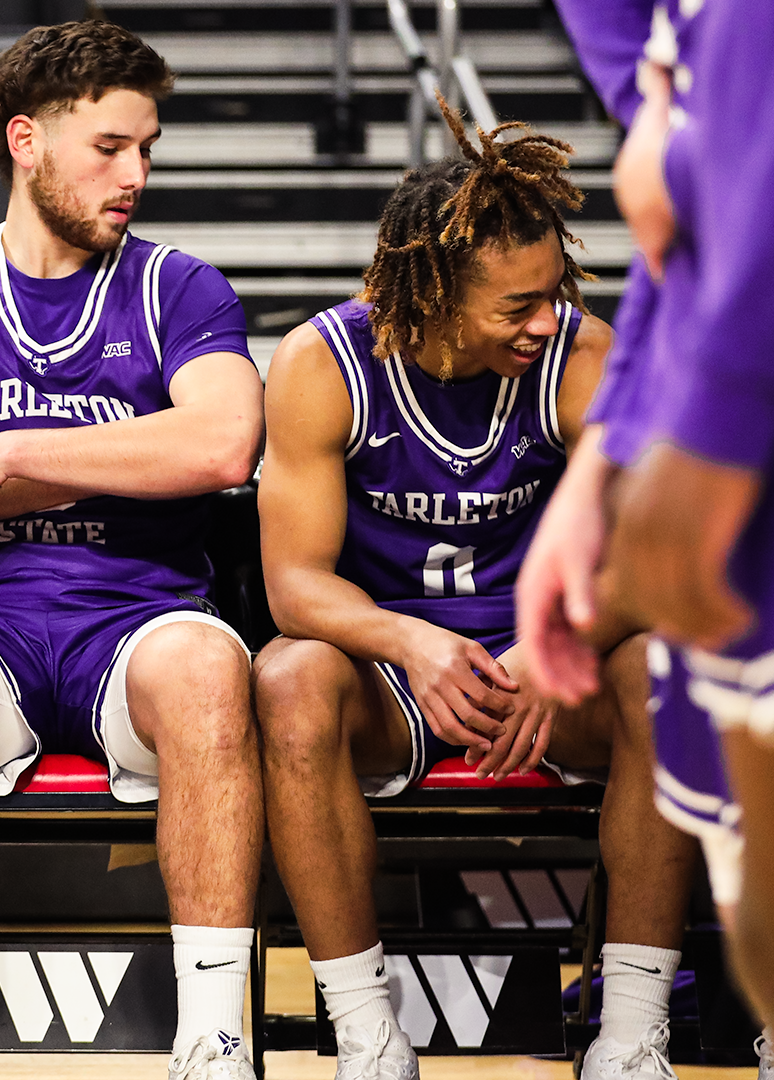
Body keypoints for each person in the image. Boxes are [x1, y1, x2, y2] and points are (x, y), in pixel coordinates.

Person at [254, 99, 697, 1080]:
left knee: (665, 668)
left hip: (553, 671)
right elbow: (292, 588)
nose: (546, 319)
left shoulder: (581, 359)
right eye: (515, 307)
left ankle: (629, 1036)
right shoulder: (322, 367)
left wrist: (556, 646)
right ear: (432, 301)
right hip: (399, 676)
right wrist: (410, 642)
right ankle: (368, 1035)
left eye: (552, 294)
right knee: (289, 678)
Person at [0, 22, 265, 1080]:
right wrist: (128, 454)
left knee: (215, 667)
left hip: (137, 621)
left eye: (147, 149)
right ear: (26, 140)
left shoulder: (180, 287)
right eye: (110, 148)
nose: (135, 175)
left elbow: (222, 443)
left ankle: (216, 1040)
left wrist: (4, 456)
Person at [528, 0, 774, 1026]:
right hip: (728, 414)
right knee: (754, 878)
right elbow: (686, 235)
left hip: (742, 423)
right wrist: (603, 470)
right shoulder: (627, 18)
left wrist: (706, 438)